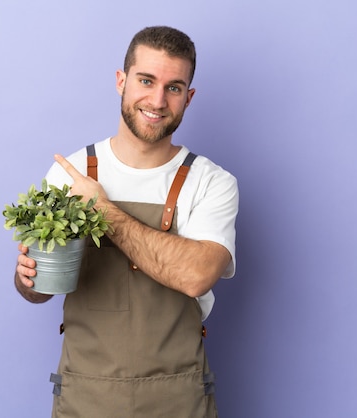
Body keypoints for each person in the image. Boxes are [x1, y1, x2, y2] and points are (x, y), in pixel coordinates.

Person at [14, 26, 238, 417]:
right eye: (146, 81)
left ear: (189, 96)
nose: (157, 99)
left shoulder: (212, 182)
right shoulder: (72, 172)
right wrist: (27, 277)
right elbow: (36, 291)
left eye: (174, 87)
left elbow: (197, 275)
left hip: (178, 398)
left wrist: (102, 210)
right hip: (85, 396)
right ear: (122, 81)